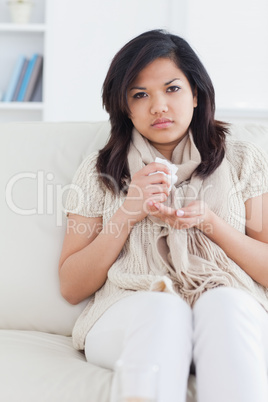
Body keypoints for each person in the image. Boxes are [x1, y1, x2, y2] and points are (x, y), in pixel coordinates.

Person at [58, 29, 268, 402]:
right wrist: (128, 210)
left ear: (196, 94)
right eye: (140, 95)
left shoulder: (244, 159)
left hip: (226, 305)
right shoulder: (98, 170)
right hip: (130, 311)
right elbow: (72, 285)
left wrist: (212, 225)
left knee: (223, 303)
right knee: (164, 309)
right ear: (125, 107)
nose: (158, 106)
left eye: (172, 89)